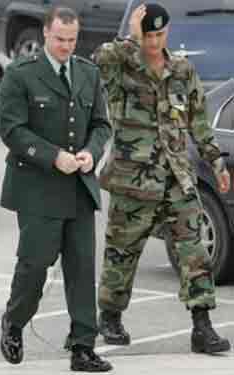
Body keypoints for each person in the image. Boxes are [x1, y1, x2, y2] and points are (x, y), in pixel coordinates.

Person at [96, 3, 231, 354]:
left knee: (194, 250)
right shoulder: (122, 64)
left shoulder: (183, 70)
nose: (154, 42)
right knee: (122, 252)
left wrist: (216, 163)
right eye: (148, 35)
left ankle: (202, 326)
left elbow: (199, 122)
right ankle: (110, 316)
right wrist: (133, 37)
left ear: (168, 32)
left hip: (176, 178)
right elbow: (100, 57)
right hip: (132, 179)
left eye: (159, 35)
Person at [0, 6, 112, 372]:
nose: (66, 46)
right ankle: (14, 322)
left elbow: (101, 125)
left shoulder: (88, 73)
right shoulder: (20, 75)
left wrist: (92, 154)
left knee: (81, 269)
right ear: (46, 34)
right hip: (38, 188)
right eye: (60, 39)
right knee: (34, 266)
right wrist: (53, 157)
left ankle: (83, 346)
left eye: (72, 40)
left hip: (79, 186)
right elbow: (12, 131)